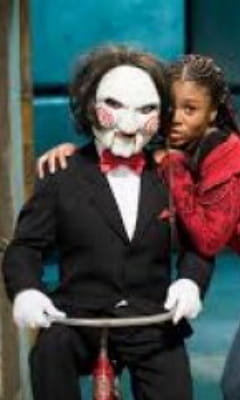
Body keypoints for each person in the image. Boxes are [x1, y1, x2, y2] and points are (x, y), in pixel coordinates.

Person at [37, 54, 240, 400]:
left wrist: (175, 169)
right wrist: (76, 154)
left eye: (190, 109)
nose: (177, 119)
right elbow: (119, 147)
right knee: (237, 386)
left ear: (212, 113)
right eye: (170, 108)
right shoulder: (180, 142)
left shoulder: (226, 157)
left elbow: (208, 240)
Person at [2, 46, 214, 400]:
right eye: (114, 106)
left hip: (151, 318)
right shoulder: (62, 174)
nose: (129, 126)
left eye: (145, 110)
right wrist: (26, 290)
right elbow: (25, 246)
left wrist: (191, 281)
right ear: (89, 106)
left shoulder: (172, 174)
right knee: (49, 355)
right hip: (78, 316)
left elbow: (199, 243)